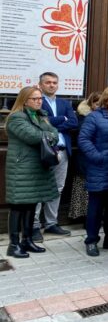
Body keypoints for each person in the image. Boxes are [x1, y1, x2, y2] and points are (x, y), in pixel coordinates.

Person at [5, 86, 59, 258]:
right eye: (34, 99)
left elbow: (55, 134)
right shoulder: (16, 118)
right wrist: (47, 134)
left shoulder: (40, 115)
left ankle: (26, 241)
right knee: (18, 207)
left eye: (40, 98)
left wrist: (47, 134)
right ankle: (13, 245)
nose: (38, 101)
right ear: (24, 100)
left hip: (36, 167)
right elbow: (34, 137)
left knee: (31, 204)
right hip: (22, 169)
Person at [33, 72, 78, 241]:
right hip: (44, 151)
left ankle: (51, 223)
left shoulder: (64, 102)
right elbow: (40, 122)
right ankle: (34, 225)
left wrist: (52, 122)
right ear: (41, 84)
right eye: (48, 82)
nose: (51, 85)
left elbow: (73, 122)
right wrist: (60, 120)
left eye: (54, 82)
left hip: (62, 151)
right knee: (38, 188)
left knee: (58, 188)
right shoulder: (37, 101)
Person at [78, 86, 108, 257]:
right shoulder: (94, 117)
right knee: (96, 207)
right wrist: (98, 157)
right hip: (100, 169)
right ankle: (92, 240)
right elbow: (84, 139)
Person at [70, 91, 102, 222]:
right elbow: (84, 139)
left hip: (97, 160)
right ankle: (82, 216)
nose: (99, 106)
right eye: (96, 103)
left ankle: (93, 217)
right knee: (83, 187)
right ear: (91, 104)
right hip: (86, 158)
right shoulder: (84, 118)